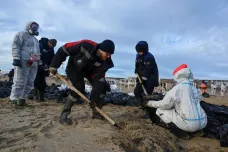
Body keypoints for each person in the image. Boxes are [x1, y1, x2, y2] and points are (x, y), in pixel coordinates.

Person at [49, 39, 114, 125]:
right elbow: (64, 49)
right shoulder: (85, 45)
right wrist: (54, 65)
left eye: (110, 54)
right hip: (74, 68)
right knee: (79, 88)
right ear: (101, 50)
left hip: (89, 72)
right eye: (107, 54)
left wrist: (93, 100)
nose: (109, 56)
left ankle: (96, 113)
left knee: (102, 87)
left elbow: (98, 80)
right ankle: (64, 114)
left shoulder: (104, 62)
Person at [144, 64, 207, 140]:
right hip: (203, 121)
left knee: (160, 111)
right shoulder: (195, 89)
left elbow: (165, 105)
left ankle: (181, 132)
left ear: (177, 75)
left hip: (189, 124)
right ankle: (197, 131)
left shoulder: (177, 89)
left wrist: (149, 103)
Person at [10, 21, 40, 106]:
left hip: (33, 62)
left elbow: (37, 51)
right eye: (34, 26)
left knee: (30, 81)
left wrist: (39, 60)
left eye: (36, 27)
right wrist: (16, 58)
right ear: (28, 26)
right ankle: (14, 100)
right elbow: (16, 45)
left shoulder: (35, 40)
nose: (35, 28)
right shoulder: (22, 34)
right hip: (23, 60)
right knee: (20, 80)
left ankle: (22, 100)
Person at [134, 41, 159, 113]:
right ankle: (140, 106)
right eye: (138, 51)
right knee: (137, 92)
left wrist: (144, 79)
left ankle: (148, 109)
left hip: (151, 77)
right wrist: (136, 69)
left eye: (141, 51)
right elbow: (137, 64)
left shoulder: (149, 57)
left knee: (147, 94)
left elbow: (148, 70)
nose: (140, 53)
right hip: (141, 76)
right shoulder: (138, 55)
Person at [32, 37, 57, 102]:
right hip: (37, 66)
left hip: (46, 68)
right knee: (36, 81)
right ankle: (34, 96)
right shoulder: (40, 45)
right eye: (51, 45)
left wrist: (52, 66)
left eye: (53, 46)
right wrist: (41, 64)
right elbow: (36, 55)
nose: (52, 46)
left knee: (42, 82)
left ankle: (42, 98)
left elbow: (52, 58)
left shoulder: (51, 49)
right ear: (49, 42)